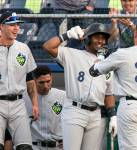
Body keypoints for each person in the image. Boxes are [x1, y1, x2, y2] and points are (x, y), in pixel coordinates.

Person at [43, 23, 117, 150]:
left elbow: (108, 94)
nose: (101, 40)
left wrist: (113, 116)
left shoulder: (107, 64)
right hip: (75, 110)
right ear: (87, 38)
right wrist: (66, 35)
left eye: (103, 38)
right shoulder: (72, 54)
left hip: (95, 114)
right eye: (97, 37)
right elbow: (47, 46)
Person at [89, 21, 137, 149]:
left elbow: (94, 71)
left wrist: (101, 55)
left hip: (130, 106)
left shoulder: (123, 53)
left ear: (135, 35)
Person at [0, 11, 39, 150]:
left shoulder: (23, 48)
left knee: (25, 147)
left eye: (17, 24)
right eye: (11, 25)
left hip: (18, 104)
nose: (16, 28)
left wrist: (34, 104)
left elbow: (29, 79)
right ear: (1, 27)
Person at [25, 65, 66, 150]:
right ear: (34, 81)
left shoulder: (63, 96)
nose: (45, 86)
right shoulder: (25, 98)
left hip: (58, 146)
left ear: (52, 78)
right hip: (34, 146)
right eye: (41, 82)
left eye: (48, 81)